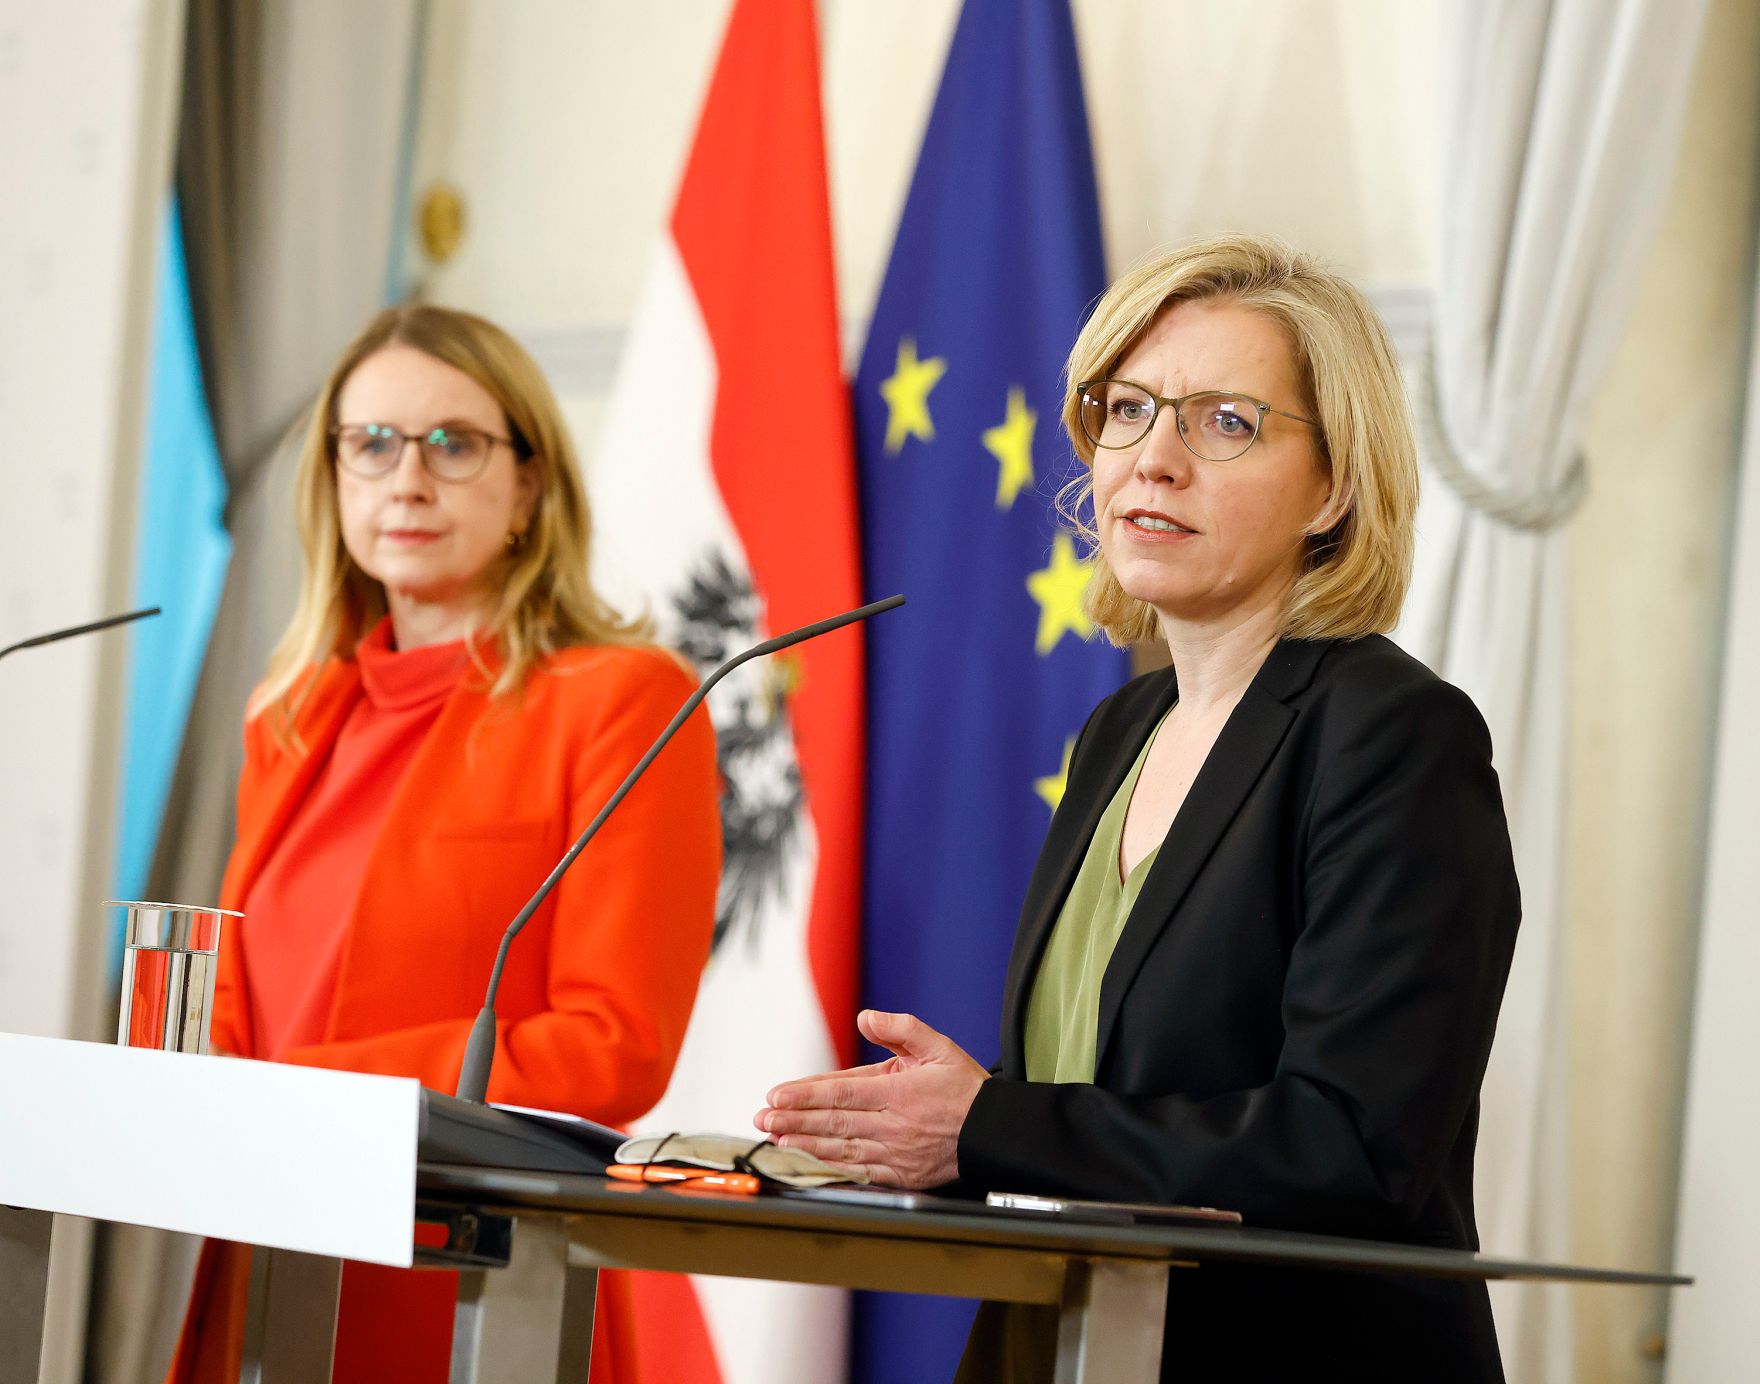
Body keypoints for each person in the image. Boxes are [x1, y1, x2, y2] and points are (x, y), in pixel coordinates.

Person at [756, 234, 1520, 1383]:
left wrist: (989, 1123)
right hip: (1063, 1338)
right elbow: (1112, 1106)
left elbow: (1351, 1146)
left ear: (1335, 487)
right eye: (1125, 409)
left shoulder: (1394, 735)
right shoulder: (1121, 731)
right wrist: (936, 1134)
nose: (1152, 460)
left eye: (1223, 422)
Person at [166, 305, 722, 1384]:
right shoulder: (288, 717)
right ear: (333, 482)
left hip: (466, 1282)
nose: (405, 480)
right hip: (268, 1249)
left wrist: (299, 1092)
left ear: (528, 486)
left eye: (452, 443)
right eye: (369, 443)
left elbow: (611, 1044)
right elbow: (231, 1000)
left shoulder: (621, 700)